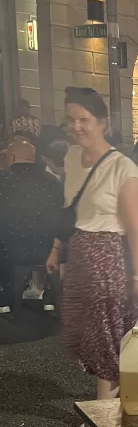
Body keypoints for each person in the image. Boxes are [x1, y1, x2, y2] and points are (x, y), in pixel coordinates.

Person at [46, 87, 138, 427]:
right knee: (81, 334)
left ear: (102, 122)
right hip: (79, 255)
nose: (76, 127)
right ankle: (117, 391)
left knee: (103, 336)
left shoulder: (123, 168)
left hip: (109, 260)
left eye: (84, 120)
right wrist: (57, 249)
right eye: (71, 120)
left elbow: (135, 229)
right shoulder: (71, 157)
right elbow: (69, 210)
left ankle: (101, 415)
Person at [0, 134, 62, 314]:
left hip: (10, 249)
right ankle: (48, 297)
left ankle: (5, 298)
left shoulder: (3, 179)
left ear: (11, 157)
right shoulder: (51, 180)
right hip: (48, 249)